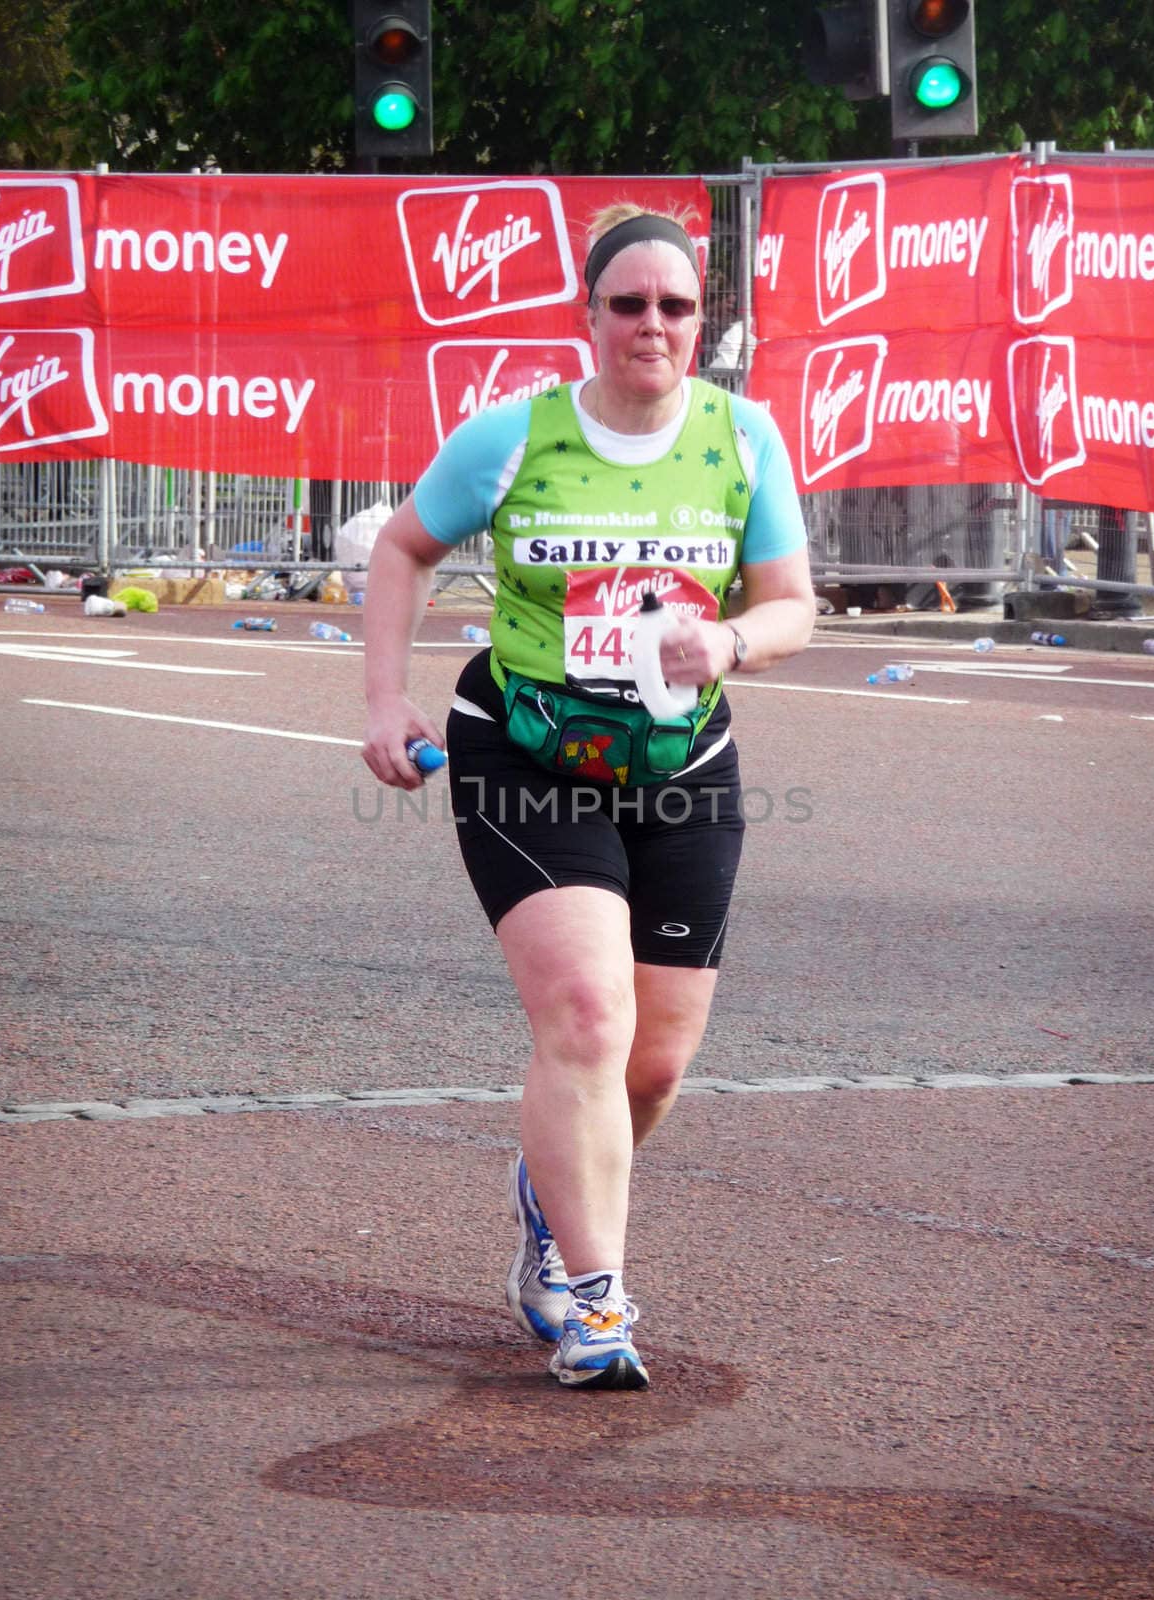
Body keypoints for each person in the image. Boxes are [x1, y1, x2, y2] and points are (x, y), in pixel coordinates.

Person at [361, 204, 814, 1390]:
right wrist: (381, 701)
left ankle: (546, 1195)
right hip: (525, 752)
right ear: (589, 314)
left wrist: (730, 640)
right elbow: (402, 547)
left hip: (680, 768)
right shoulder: (516, 435)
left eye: (674, 304)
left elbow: (794, 604)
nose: (651, 325)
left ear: (699, 319)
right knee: (585, 1015)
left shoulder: (745, 439)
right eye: (629, 303)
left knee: (652, 1065)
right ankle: (592, 1301)